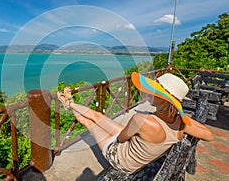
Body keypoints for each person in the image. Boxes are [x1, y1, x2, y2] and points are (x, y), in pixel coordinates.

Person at [57, 72, 213, 174]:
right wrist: (183, 117)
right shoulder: (182, 123)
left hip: (120, 157)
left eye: (155, 91)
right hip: (135, 143)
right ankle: (69, 103)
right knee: (96, 116)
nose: (149, 92)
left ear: (165, 100)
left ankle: (69, 104)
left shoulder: (143, 120)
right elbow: (209, 135)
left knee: (90, 123)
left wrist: (118, 133)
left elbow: (121, 139)